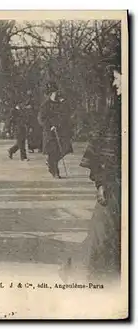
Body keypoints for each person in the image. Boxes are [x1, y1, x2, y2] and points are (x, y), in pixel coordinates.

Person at [79, 50, 122, 283]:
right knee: (103, 236)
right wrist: (102, 180)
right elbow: (105, 150)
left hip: (120, 184)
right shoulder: (116, 110)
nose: (115, 83)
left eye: (118, 77)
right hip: (115, 183)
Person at [38, 82, 73, 178]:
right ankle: (55, 172)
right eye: (53, 92)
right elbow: (41, 118)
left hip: (61, 131)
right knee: (53, 152)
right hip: (50, 132)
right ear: (50, 94)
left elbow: (66, 114)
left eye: (55, 91)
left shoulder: (61, 103)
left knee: (64, 149)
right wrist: (50, 126)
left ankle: (50, 163)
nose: (55, 93)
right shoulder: (45, 105)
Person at [8, 94, 31, 161]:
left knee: (21, 143)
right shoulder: (13, 111)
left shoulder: (22, 110)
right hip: (17, 128)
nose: (23, 104)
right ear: (18, 104)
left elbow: (26, 119)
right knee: (21, 143)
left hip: (23, 128)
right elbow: (11, 121)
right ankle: (23, 157)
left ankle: (11, 150)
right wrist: (9, 130)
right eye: (21, 103)